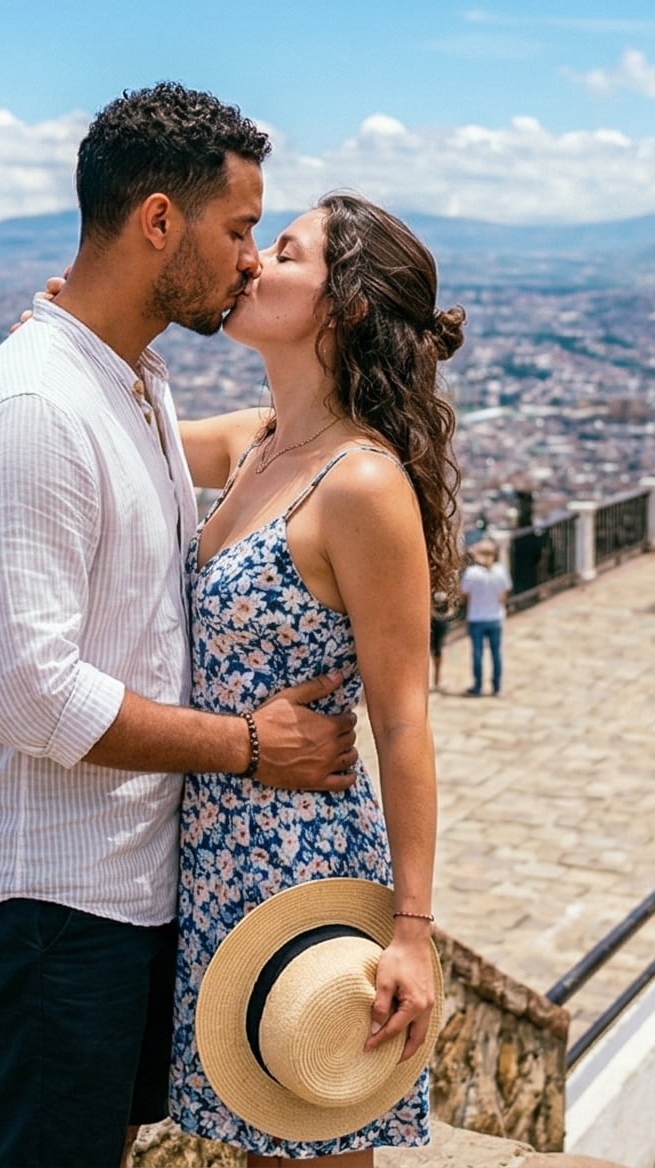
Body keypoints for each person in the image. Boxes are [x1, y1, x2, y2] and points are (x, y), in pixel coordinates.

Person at [0, 83, 361, 1168]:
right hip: (51, 898)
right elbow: (33, 696)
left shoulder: (126, 385)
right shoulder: (36, 409)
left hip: (114, 887)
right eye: (236, 228)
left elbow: (257, 439)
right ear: (158, 221)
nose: (251, 259)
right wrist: (252, 748)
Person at [162, 190, 461, 1163]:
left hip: (301, 854)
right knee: (259, 1138)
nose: (252, 264)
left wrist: (411, 931)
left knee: (313, 1129)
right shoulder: (258, 443)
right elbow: (125, 428)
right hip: (220, 848)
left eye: (283, 252)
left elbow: (404, 723)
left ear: (345, 308)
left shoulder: (361, 485)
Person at [458, 538, 508, 697]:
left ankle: (478, 686)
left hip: (477, 617)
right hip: (495, 617)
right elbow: (503, 596)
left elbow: (464, 596)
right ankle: (497, 686)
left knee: (478, 653)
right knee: (496, 653)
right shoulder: (500, 571)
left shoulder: (472, 573)